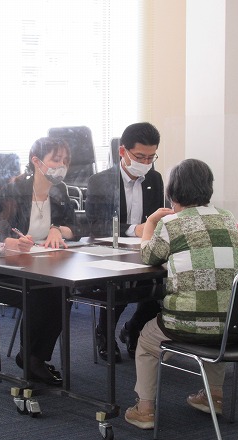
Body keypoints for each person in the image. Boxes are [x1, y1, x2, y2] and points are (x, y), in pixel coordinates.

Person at [124, 158, 238, 430]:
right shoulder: (227, 218)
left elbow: (148, 255)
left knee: (146, 341)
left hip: (186, 325)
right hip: (232, 327)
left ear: (172, 192)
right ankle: (214, 397)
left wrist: (151, 220)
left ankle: (145, 410)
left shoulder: (171, 223)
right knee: (217, 314)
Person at [0, 136, 76, 385]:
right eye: (56, 159)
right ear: (37, 161)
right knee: (40, 293)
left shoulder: (60, 191)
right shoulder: (14, 190)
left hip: (45, 265)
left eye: (65, 160)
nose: (61, 166)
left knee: (63, 291)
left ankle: (34, 357)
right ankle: (32, 359)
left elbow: (77, 227)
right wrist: (13, 242)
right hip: (9, 270)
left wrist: (57, 229)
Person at [85, 122, 165, 362]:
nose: (146, 162)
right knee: (119, 285)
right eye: (140, 157)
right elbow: (97, 225)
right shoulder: (100, 181)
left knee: (160, 285)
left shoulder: (154, 179)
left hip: (143, 250)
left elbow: (156, 218)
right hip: (109, 250)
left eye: (151, 157)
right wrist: (134, 229)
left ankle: (134, 329)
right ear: (123, 151)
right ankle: (104, 332)